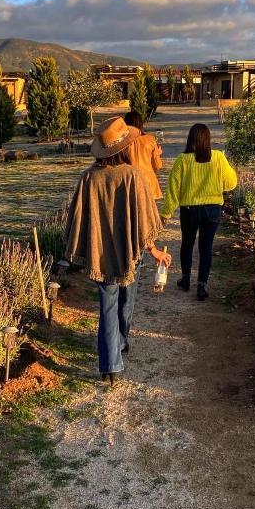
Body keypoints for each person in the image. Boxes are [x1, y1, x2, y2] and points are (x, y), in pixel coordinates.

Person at [64, 116, 172, 384]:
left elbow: (78, 219)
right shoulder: (132, 175)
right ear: (123, 147)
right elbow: (144, 220)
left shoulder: (88, 177)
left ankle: (109, 365)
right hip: (130, 254)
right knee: (127, 301)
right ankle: (121, 341)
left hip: (100, 255)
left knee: (107, 306)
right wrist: (154, 251)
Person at [160, 123, 237, 301]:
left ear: (190, 139)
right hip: (212, 209)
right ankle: (202, 285)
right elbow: (231, 182)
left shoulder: (182, 160)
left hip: (189, 210)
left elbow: (173, 189)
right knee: (206, 248)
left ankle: (185, 279)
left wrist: (166, 213)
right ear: (208, 139)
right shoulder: (218, 157)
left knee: (187, 244)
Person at [124, 110, 163, 199]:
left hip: (129, 183)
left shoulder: (123, 142)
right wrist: (158, 153)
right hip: (148, 184)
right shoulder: (150, 140)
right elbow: (157, 165)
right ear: (141, 124)